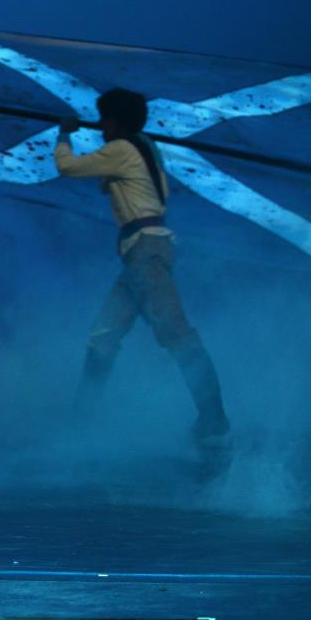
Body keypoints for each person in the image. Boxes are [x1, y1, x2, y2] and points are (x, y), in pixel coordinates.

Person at [55, 88, 231, 449]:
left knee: (177, 334)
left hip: (146, 253)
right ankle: (81, 420)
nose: (101, 126)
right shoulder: (145, 146)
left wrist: (64, 134)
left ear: (116, 122)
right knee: (103, 336)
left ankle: (213, 417)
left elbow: (67, 166)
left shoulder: (122, 149)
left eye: (104, 120)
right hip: (139, 255)